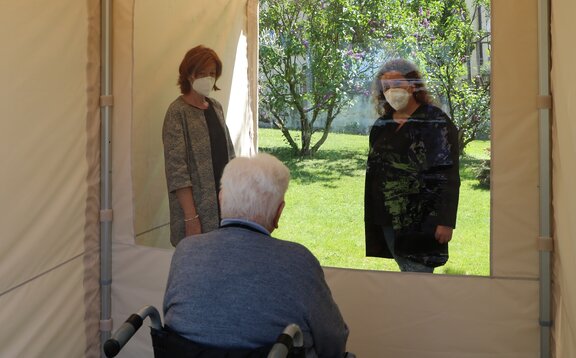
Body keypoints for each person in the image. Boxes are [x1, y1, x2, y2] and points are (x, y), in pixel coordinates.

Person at [163, 153, 350, 358]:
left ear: (220, 199)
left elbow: (171, 321)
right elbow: (333, 340)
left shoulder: (185, 252)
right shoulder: (298, 261)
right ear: (279, 212)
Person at [364, 59, 460, 273]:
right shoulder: (382, 126)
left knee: (418, 278)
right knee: (405, 273)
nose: (391, 91)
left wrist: (446, 221)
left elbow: (448, 174)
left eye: (396, 84)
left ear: (412, 85)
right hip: (387, 216)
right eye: (386, 87)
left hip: (423, 219)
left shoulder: (435, 121)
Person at [162, 45, 235, 247]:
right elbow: (177, 171)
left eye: (212, 73)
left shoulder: (216, 107)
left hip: (224, 207)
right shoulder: (177, 113)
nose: (208, 79)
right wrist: (190, 218)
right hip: (196, 213)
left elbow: (229, 154)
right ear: (188, 74)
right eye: (202, 73)